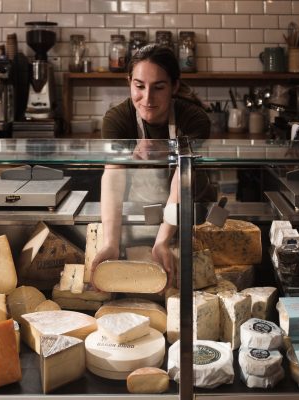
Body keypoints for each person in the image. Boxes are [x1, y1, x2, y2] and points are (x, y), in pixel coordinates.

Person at [91, 44, 212, 287]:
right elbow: (113, 175)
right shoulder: (116, 120)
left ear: (174, 86)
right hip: (136, 218)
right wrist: (110, 243)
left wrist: (162, 241)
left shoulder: (194, 119)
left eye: (158, 87)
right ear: (129, 82)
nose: (147, 98)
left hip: (187, 218)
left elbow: (183, 177)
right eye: (139, 86)